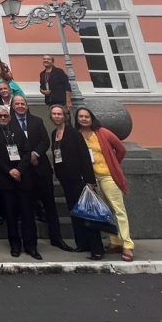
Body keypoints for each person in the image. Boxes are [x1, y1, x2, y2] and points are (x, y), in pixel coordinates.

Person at [10, 94, 71, 251]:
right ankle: (31, 244)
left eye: (23, 103)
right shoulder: (8, 123)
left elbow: (45, 140)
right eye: (17, 104)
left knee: (50, 205)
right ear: (13, 106)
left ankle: (56, 238)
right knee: (27, 209)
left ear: (27, 105)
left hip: (41, 168)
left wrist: (35, 154)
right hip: (23, 171)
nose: (20, 106)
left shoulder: (37, 121)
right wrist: (27, 159)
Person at [76, 106, 133, 261]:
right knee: (105, 210)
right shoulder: (78, 135)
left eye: (86, 116)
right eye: (80, 116)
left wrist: (114, 164)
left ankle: (127, 244)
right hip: (92, 179)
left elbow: (121, 150)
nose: (83, 119)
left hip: (108, 176)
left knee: (118, 209)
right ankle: (115, 241)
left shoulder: (103, 133)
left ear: (92, 118)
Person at [50, 104, 104, 260]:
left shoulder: (74, 133)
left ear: (65, 116)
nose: (57, 116)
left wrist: (89, 180)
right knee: (75, 213)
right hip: (66, 180)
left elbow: (85, 157)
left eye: (59, 113)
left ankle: (96, 249)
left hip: (79, 179)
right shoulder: (54, 133)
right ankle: (82, 244)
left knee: (87, 213)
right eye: (54, 114)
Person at [0, 105, 39, 259]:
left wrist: (19, 170)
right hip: (5, 178)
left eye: (5, 115)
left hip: (23, 177)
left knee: (28, 214)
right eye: (0, 116)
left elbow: (27, 151)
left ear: (9, 116)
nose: (3, 118)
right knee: (10, 214)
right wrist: (10, 171)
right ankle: (15, 244)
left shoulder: (18, 129)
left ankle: (31, 246)